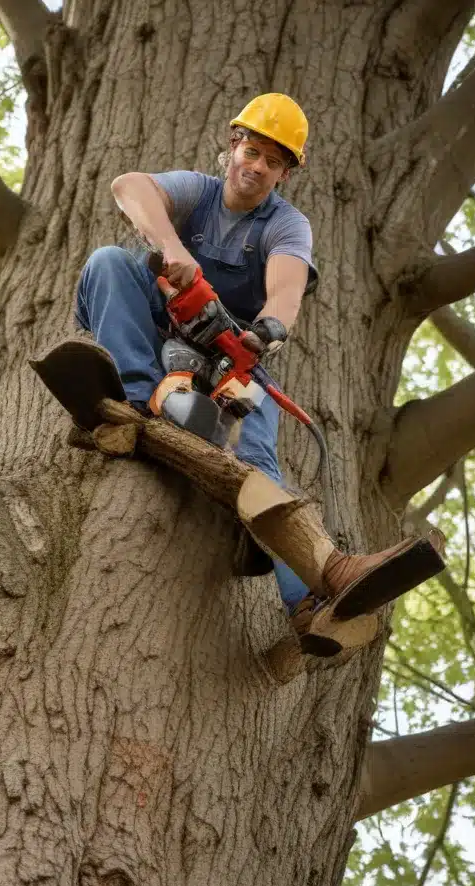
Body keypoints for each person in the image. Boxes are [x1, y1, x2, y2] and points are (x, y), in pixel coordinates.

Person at [74, 93, 443, 660]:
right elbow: (130, 185)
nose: (256, 166)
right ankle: (135, 401)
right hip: (150, 325)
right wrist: (172, 249)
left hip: (224, 353)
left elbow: (288, 287)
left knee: (259, 453)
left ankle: (312, 596)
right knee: (108, 262)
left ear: (285, 172)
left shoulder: (286, 224)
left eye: (272, 161)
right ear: (232, 147)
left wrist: (266, 329)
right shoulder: (196, 190)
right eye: (251, 151)